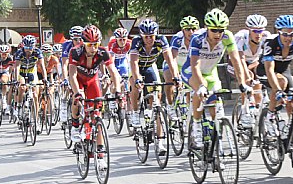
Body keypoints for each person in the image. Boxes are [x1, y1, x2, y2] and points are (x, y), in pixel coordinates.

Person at [181, 8, 251, 149]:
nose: (218, 34)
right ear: (207, 28)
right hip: (191, 71)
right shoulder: (197, 38)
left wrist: (242, 83)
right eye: (214, 30)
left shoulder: (227, 37)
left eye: (221, 30)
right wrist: (200, 86)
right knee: (200, 89)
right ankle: (196, 125)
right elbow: (194, 65)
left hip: (210, 71)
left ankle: (214, 136)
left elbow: (237, 62)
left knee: (215, 106)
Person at [68, 25, 122, 169]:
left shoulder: (103, 52)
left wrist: (117, 91)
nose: (93, 48)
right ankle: (74, 125)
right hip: (78, 80)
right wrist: (77, 93)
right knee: (77, 100)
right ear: (83, 43)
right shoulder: (75, 52)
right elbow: (72, 75)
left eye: (96, 44)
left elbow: (114, 72)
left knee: (97, 116)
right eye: (90, 45)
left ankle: (101, 156)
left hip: (92, 80)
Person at [128, 19, 180, 153]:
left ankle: (160, 142)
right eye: (146, 37)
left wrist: (175, 76)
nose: (149, 39)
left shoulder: (161, 40)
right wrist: (137, 79)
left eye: (152, 36)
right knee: (135, 85)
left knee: (156, 99)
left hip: (150, 66)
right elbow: (133, 63)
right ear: (141, 36)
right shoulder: (136, 42)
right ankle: (134, 113)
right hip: (137, 68)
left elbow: (170, 60)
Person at [229, 14, 271, 125]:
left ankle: (258, 111)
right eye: (255, 31)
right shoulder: (241, 37)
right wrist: (247, 74)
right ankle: (245, 112)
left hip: (254, 61)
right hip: (236, 61)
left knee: (258, 86)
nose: (258, 34)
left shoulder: (267, 37)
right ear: (249, 30)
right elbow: (240, 59)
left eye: (260, 31)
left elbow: (266, 59)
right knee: (247, 80)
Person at [163, 16, 200, 119]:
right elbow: (172, 58)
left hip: (187, 65)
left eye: (193, 29)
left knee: (191, 87)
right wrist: (176, 75)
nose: (191, 32)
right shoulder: (178, 39)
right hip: (174, 63)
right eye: (187, 29)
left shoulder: (199, 39)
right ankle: (170, 105)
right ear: (183, 30)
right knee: (169, 79)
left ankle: (189, 112)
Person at [13, 35, 47, 127]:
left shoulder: (37, 52)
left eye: (30, 47)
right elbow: (16, 66)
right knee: (22, 87)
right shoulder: (20, 52)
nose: (28, 50)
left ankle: (36, 121)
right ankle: (19, 106)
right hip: (22, 73)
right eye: (26, 47)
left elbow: (42, 66)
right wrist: (16, 80)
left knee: (35, 95)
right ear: (23, 46)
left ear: (34, 46)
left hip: (32, 72)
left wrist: (45, 79)